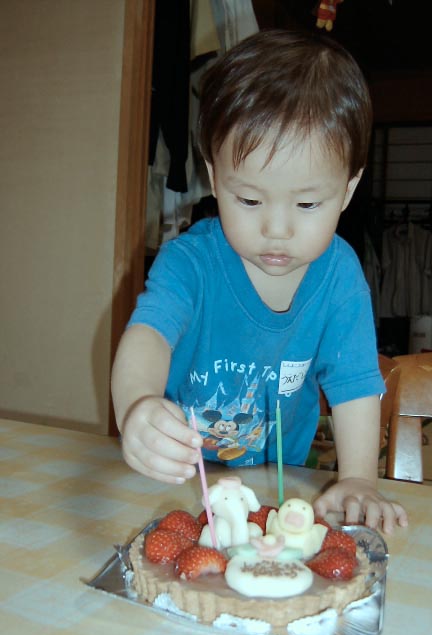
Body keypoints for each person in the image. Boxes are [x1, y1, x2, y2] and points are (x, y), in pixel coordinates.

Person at [111, 29, 408, 533]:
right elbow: (149, 336)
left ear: (348, 189)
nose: (277, 229)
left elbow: (354, 383)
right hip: (175, 481)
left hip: (276, 488)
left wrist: (358, 478)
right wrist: (136, 407)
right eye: (249, 200)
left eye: (307, 203)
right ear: (214, 176)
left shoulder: (340, 277)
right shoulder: (190, 263)